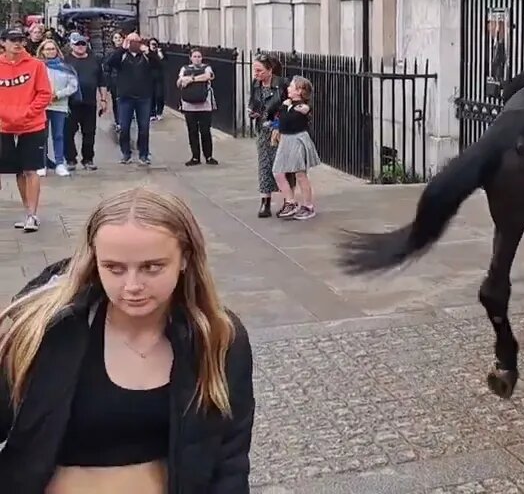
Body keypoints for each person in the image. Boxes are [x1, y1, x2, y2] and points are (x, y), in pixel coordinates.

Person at [0, 186, 255, 493]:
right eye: (114, 268)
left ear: (185, 258)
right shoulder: (42, 330)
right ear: (95, 260)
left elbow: (229, 461)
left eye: (151, 267)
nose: (132, 285)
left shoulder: (218, 338)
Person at [0, 28, 51, 232]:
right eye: (13, 40)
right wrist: (7, 115)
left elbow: (44, 93)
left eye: (20, 39)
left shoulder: (36, 65)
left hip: (32, 125)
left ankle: (32, 215)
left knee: (31, 169)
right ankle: (26, 210)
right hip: (3, 126)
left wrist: (26, 114)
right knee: (18, 172)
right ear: (3, 42)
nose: (18, 44)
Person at [266, 75, 320, 220]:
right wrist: (284, 105)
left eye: (291, 86)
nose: (288, 88)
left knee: (300, 174)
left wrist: (303, 108)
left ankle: (308, 206)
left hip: (297, 140)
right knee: (277, 171)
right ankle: (290, 202)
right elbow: (276, 114)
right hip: (286, 140)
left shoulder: (302, 106)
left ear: (300, 90)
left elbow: (294, 116)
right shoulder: (287, 103)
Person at [103, 33, 162, 165]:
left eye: (136, 40)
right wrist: (122, 49)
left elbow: (159, 65)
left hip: (144, 97)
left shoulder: (146, 56)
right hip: (125, 97)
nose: (134, 43)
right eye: (131, 40)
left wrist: (150, 52)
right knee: (124, 127)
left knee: (144, 127)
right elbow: (109, 63)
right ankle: (126, 154)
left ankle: (144, 154)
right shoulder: (122, 55)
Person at [247, 54, 294, 218]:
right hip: (262, 129)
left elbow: (290, 105)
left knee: (283, 166)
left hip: (279, 131)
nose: (256, 74)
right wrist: (253, 112)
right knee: (264, 165)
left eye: (259, 70)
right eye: (254, 70)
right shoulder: (256, 84)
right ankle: (265, 202)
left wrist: (280, 122)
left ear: (270, 70)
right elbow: (253, 102)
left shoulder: (282, 84)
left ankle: (288, 201)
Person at [64, 32, 109, 171]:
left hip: (89, 103)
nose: (80, 46)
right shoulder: (66, 61)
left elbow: (102, 81)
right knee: (68, 132)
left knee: (89, 132)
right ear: (72, 45)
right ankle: (71, 159)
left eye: (83, 43)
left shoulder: (94, 60)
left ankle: (88, 159)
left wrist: (103, 99)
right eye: (77, 44)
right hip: (70, 103)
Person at [35, 39, 80, 177]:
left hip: (59, 105)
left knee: (59, 135)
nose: (50, 51)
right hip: (42, 106)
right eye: (47, 49)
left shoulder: (65, 67)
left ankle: (60, 163)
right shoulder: (37, 66)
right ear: (42, 51)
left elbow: (73, 85)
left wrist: (58, 95)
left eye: (52, 49)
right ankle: (41, 164)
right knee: (41, 136)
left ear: (57, 51)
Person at [177, 48, 218, 166]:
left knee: (205, 131)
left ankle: (209, 156)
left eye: (199, 56)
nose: (197, 59)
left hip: (204, 105)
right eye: (194, 56)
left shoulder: (206, 67)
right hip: (189, 105)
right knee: (192, 131)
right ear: (190, 58)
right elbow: (179, 82)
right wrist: (183, 80)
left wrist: (191, 79)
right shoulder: (184, 69)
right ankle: (195, 157)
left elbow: (208, 76)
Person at [148, 38, 166, 121]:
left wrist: (159, 53)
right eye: (152, 44)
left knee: (159, 95)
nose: (154, 46)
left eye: (155, 44)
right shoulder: (147, 54)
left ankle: (159, 112)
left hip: (159, 77)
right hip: (149, 77)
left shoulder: (160, 53)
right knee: (151, 95)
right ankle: (152, 113)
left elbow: (164, 63)